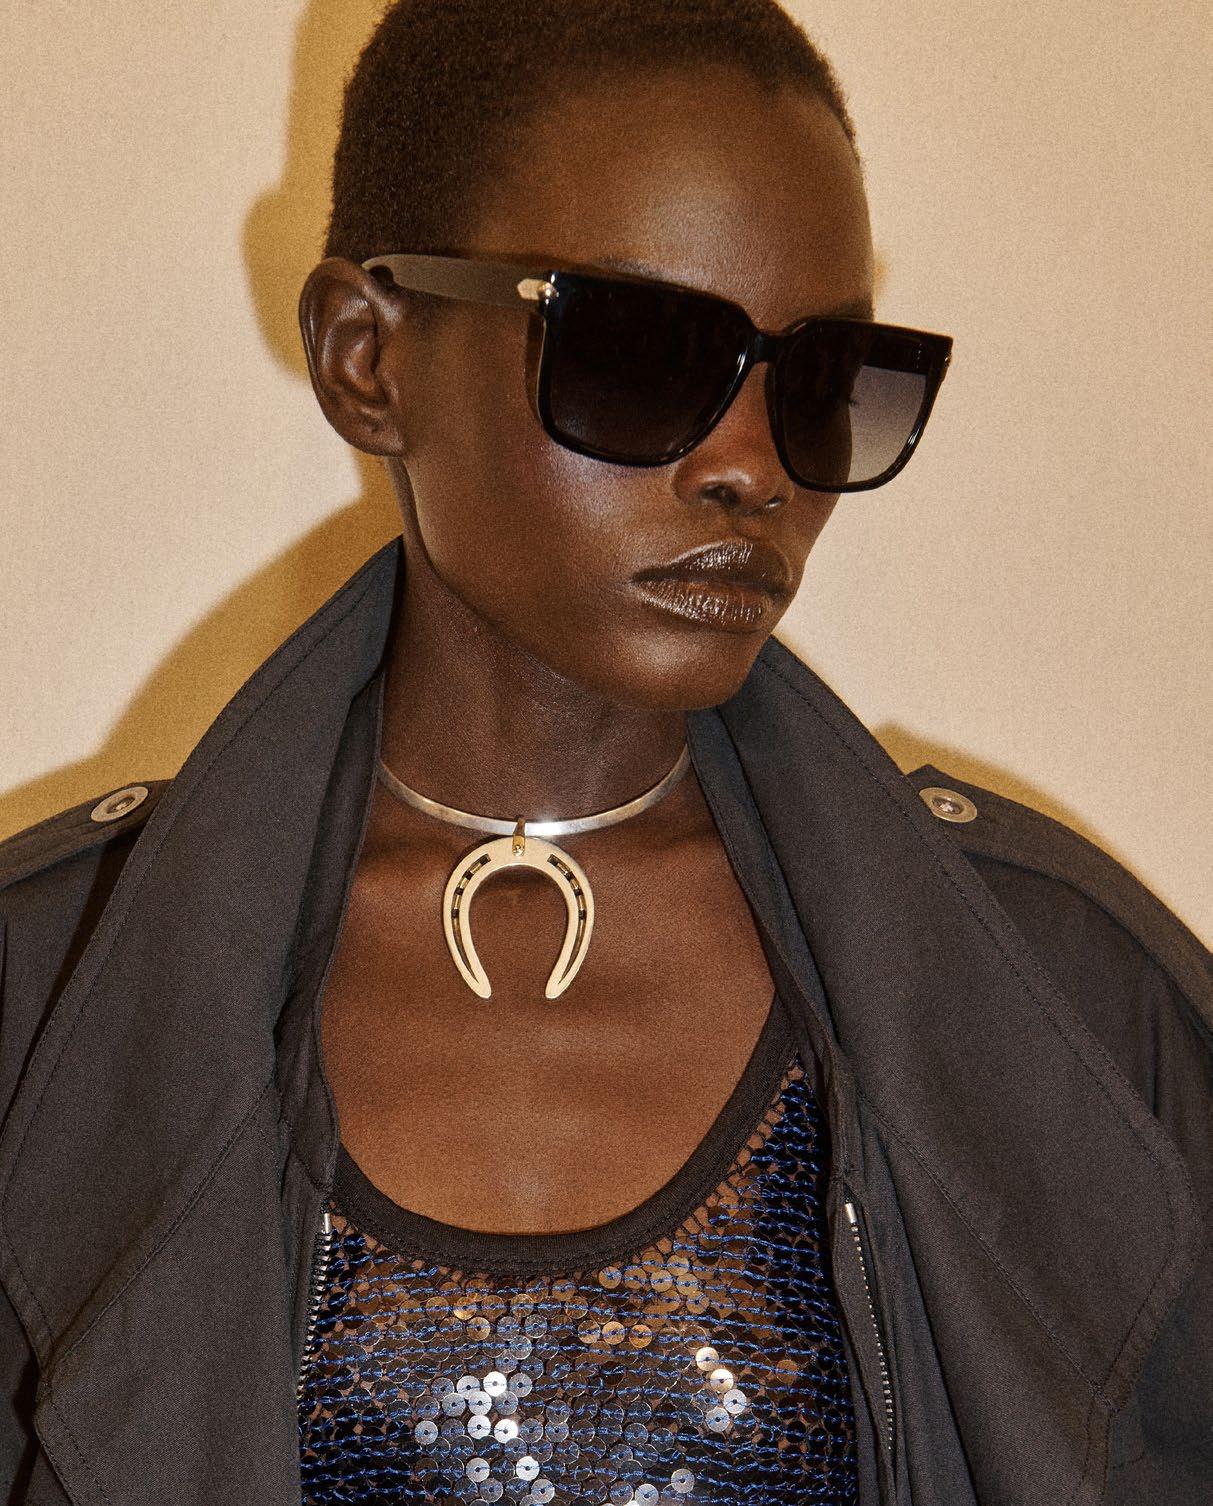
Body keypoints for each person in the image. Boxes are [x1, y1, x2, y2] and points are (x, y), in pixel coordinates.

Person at [1, 1, 1209, 1503]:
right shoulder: (48, 1004)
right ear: (366, 358)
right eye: (642, 354)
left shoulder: (1073, 1014)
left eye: (824, 376)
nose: (750, 466)